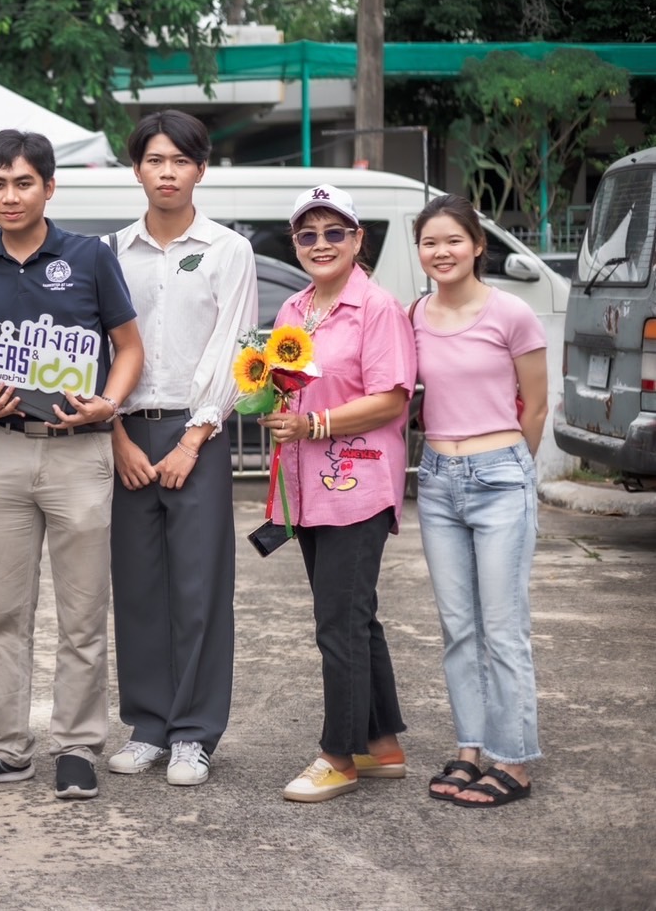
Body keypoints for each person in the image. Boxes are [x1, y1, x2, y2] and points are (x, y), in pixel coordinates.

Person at [0, 130, 144, 800]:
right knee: (2, 613)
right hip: (2, 453)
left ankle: (79, 747)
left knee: (83, 616)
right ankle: (4, 748)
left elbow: (129, 347)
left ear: (49, 188)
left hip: (80, 453)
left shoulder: (88, 257)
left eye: (23, 183)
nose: (10, 196)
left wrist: (108, 407)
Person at [104, 111, 258, 787]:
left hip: (200, 434)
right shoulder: (109, 252)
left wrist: (195, 437)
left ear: (201, 169)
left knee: (199, 588)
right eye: (154, 160)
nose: (166, 172)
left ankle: (194, 733)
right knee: (137, 589)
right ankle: (147, 725)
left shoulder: (228, 250)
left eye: (180, 161)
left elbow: (235, 350)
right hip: (125, 435)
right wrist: (114, 436)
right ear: (136, 168)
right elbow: (96, 349)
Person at [258, 184, 415, 803]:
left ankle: (337, 756)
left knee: (337, 624)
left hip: (359, 482)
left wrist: (313, 424)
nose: (320, 244)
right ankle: (382, 747)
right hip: (305, 488)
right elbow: (283, 387)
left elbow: (391, 398)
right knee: (356, 617)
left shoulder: (378, 308)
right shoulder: (293, 310)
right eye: (306, 234)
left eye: (334, 232)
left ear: (357, 240)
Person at [411, 194, 547, 807]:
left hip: (500, 479)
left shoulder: (512, 313)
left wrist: (514, 472)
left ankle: (513, 761)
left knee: (503, 628)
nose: (441, 252)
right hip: (437, 480)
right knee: (458, 628)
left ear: (478, 245)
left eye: (452, 241)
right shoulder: (414, 314)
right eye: (430, 243)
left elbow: (536, 406)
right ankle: (471, 748)